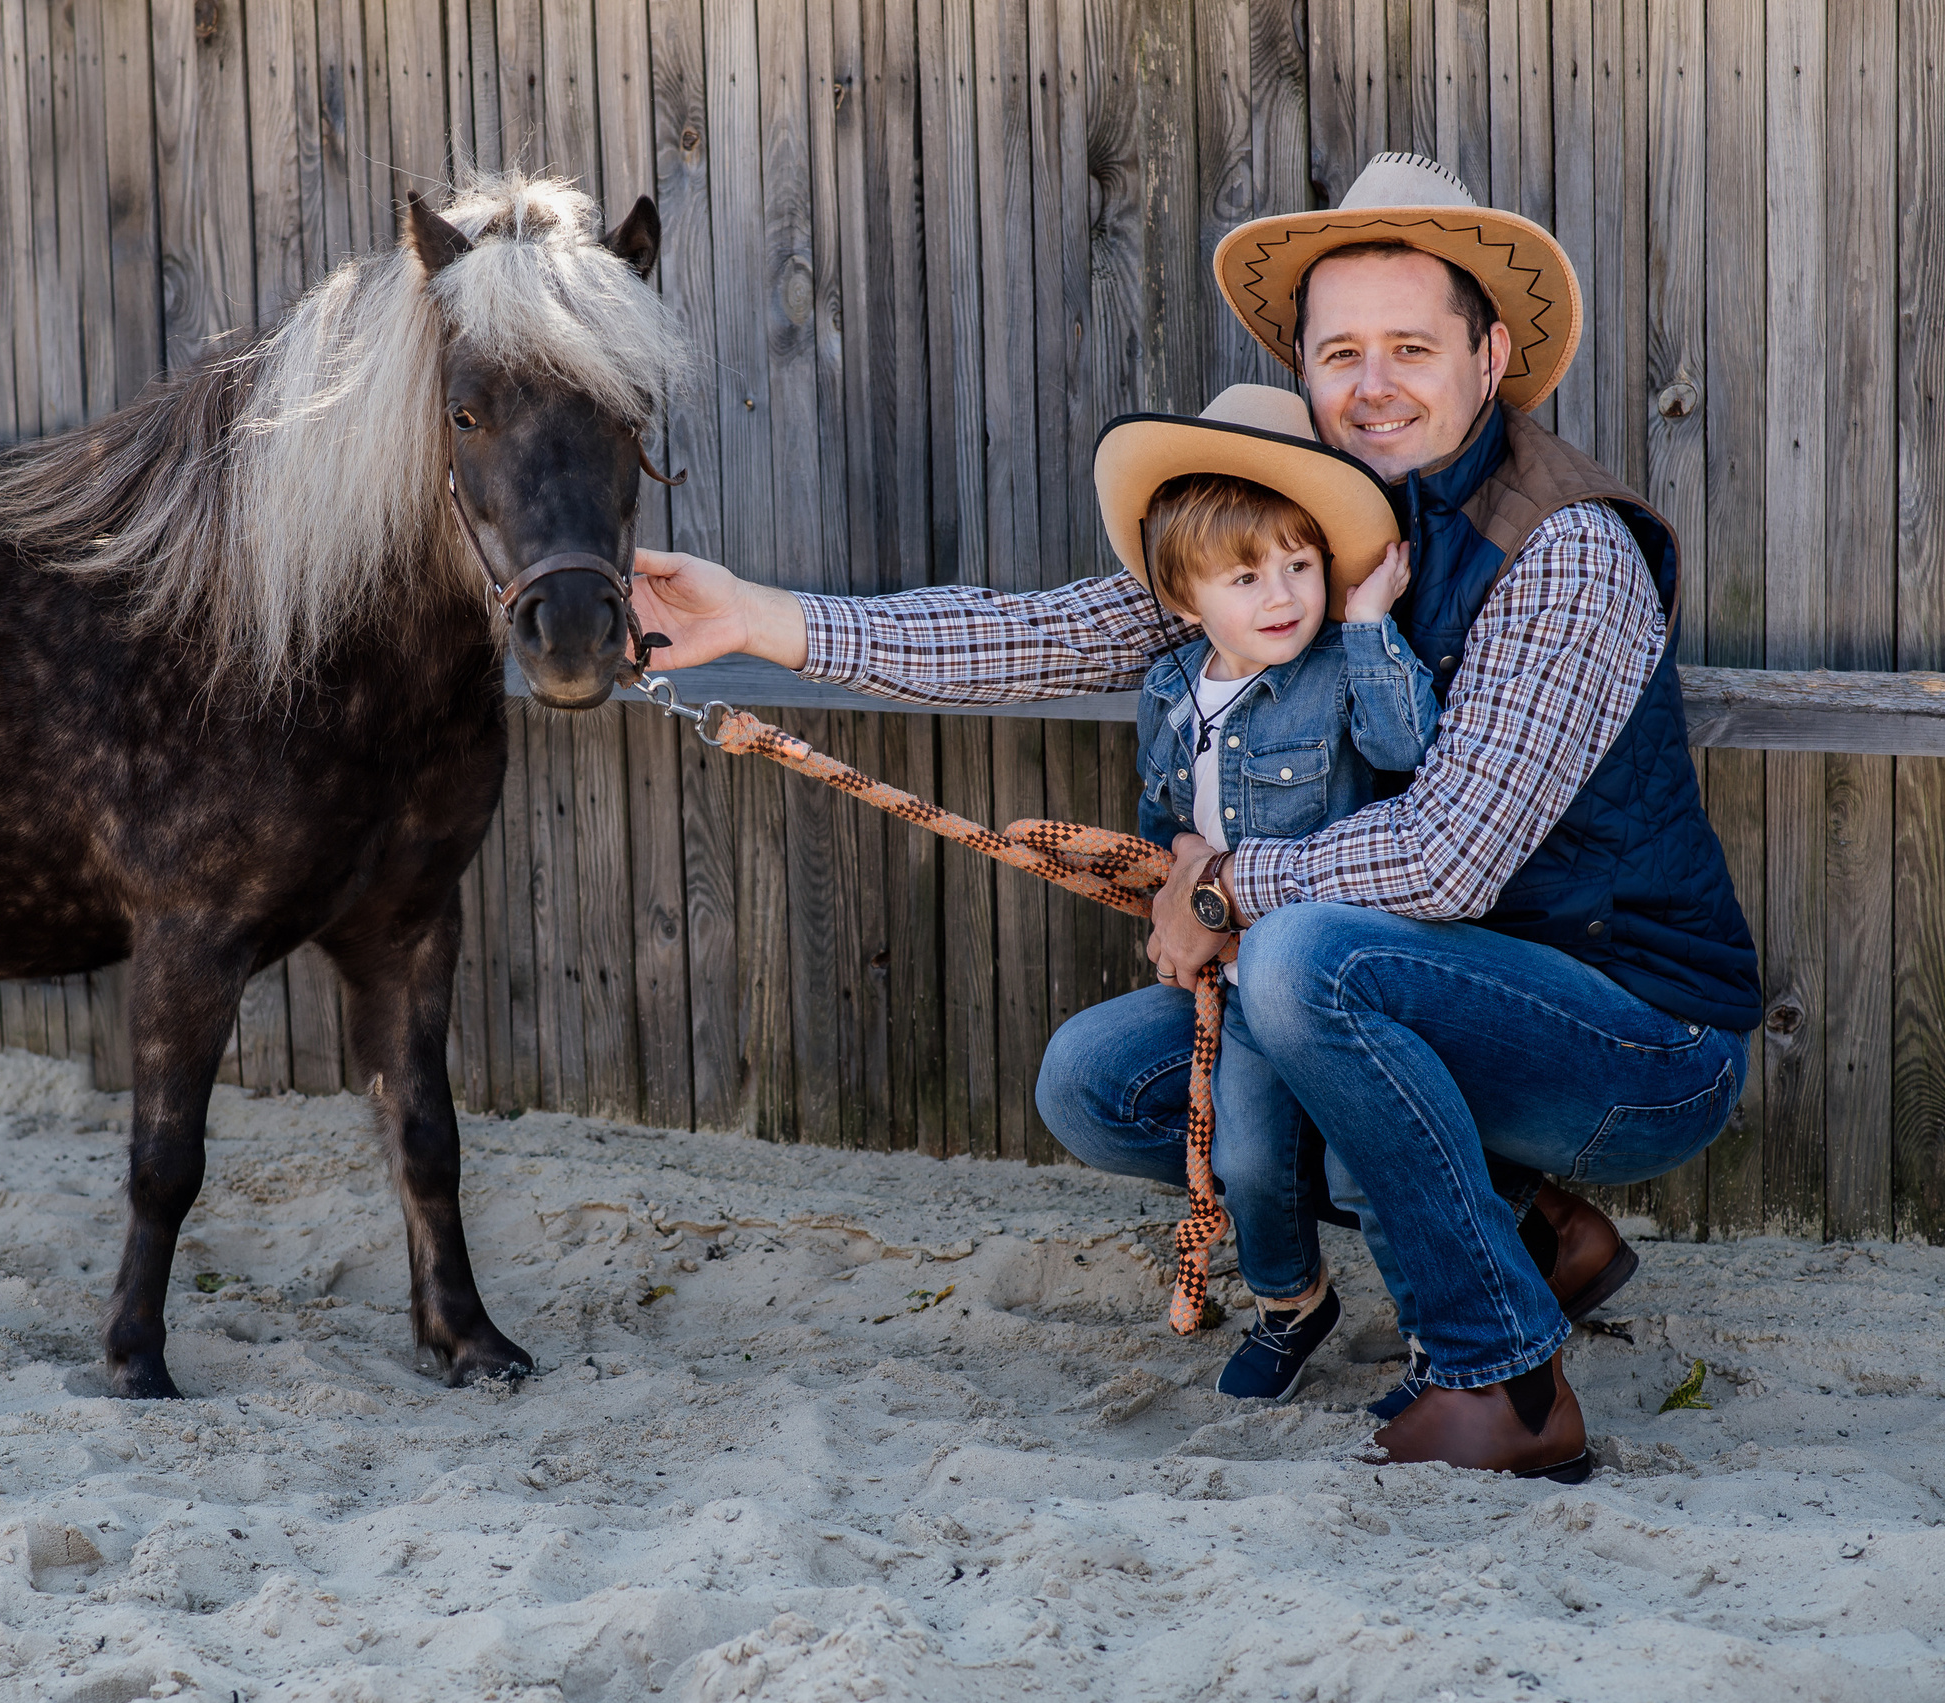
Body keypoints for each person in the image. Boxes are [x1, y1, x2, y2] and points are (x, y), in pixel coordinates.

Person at [627, 154, 1758, 1484]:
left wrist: (1224, 881)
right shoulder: (1310, 517)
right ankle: (1530, 1227)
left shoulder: (1566, 552)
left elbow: (1450, 854)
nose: (1373, 383)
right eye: (1341, 351)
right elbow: (1050, 631)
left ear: (1491, 352)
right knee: (1101, 1081)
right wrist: (762, 618)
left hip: (1632, 1038)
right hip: (1428, 992)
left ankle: (1500, 1373)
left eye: (1411, 345)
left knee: (1297, 960)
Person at [1097, 387, 1435, 1399]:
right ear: (1185, 598)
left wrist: (1370, 623)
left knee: (1362, 1166)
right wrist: (1181, 870)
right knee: (1249, 1158)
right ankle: (1291, 1301)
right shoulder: (1170, 690)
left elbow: (1407, 748)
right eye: (1246, 576)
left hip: (1339, 974)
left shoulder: (1337, 669)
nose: (1282, 593)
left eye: (1299, 564)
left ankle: (1439, 1328)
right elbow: (1170, 812)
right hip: (1242, 982)